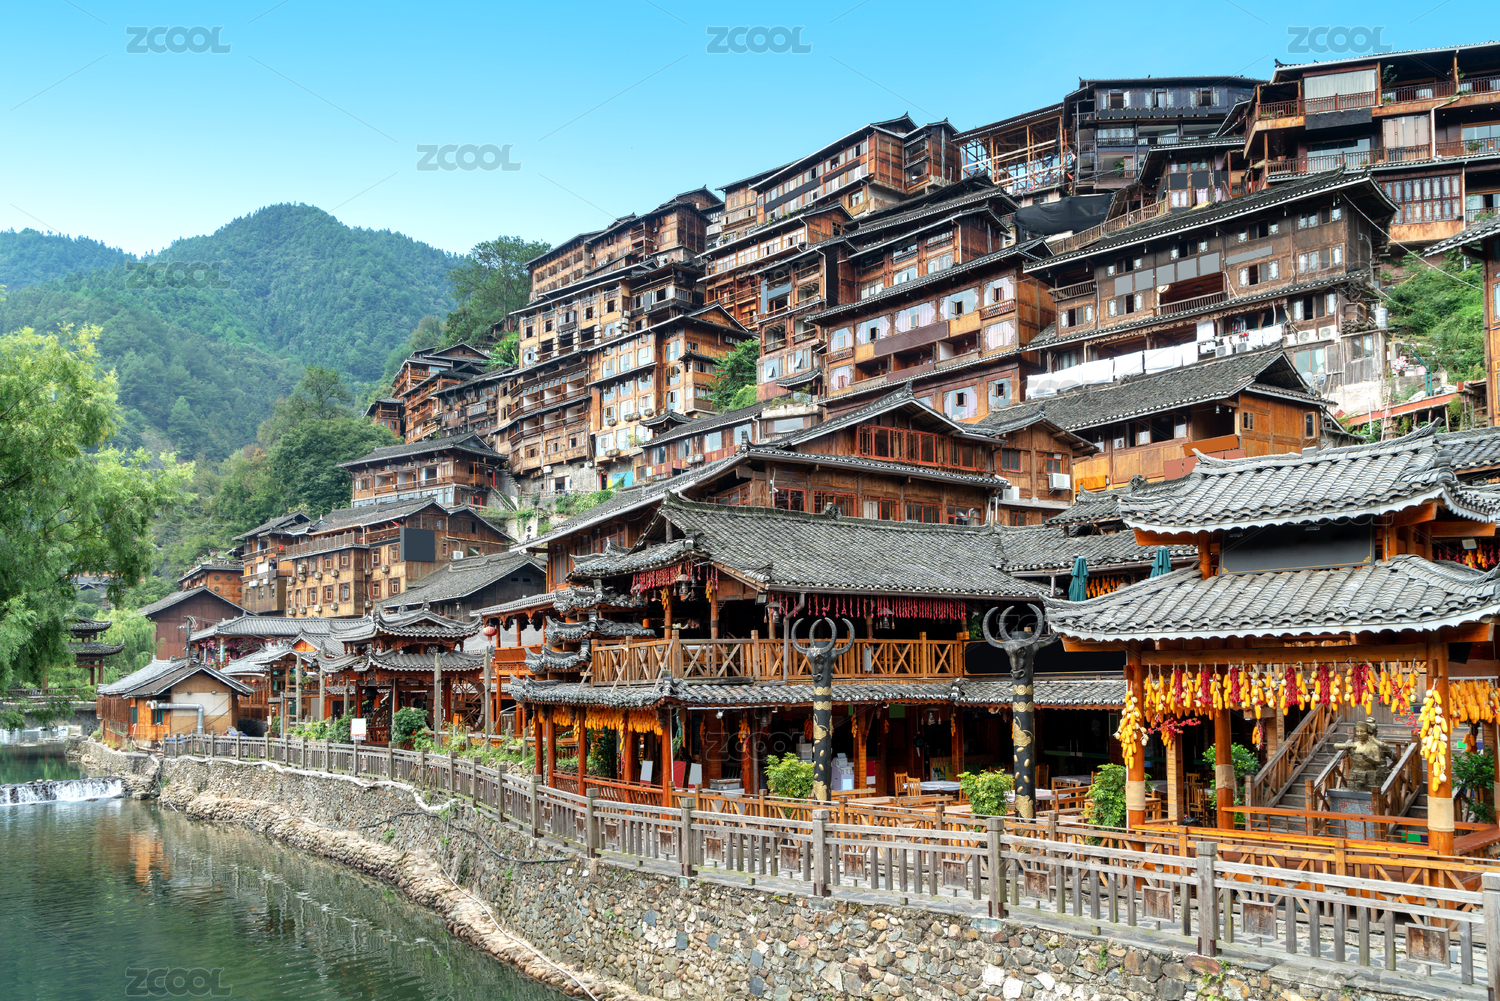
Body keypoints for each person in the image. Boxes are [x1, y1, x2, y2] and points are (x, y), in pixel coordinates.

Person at [1335, 718, 1397, 792]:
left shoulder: (1377, 746)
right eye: (1358, 731)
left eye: (1362, 731)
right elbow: (1336, 746)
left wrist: (1368, 758)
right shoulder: (1358, 744)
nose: (1359, 734)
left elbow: (1390, 759)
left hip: (1376, 773)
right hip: (1358, 774)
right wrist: (1349, 746)